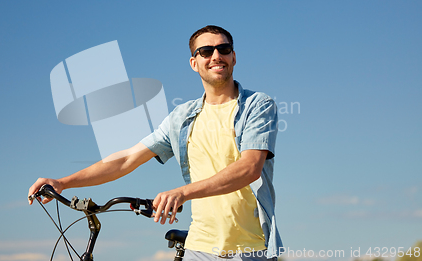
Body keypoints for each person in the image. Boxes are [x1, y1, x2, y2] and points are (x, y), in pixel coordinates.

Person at [28, 25, 282, 261]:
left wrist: (182, 193)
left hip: (251, 248)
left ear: (233, 58)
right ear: (194, 63)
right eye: (206, 51)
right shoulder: (181, 118)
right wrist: (63, 182)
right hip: (199, 247)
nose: (216, 56)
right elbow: (127, 159)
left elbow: (249, 168)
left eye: (223, 49)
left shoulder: (257, 105)